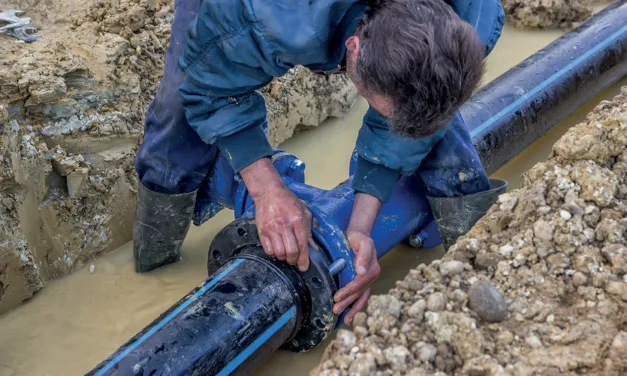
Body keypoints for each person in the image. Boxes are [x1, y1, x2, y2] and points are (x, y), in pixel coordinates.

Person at [133, 0, 504, 324]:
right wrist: (267, 191)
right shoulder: (274, 16)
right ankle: (154, 256)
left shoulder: (475, 17)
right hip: (260, 14)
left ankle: (473, 267)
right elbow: (207, 86)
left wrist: (359, 228)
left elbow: (408, 123)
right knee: (178, 111)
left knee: (431, 117)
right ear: (353, 48)